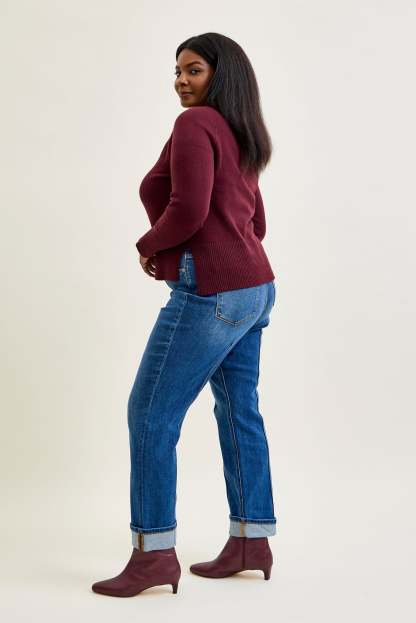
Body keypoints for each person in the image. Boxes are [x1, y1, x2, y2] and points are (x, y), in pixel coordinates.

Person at [92, 32, 278, 598]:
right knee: (239, 411)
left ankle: (153, 554)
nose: (180, 80)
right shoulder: (242, 130)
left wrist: (149, 244)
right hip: (256, 286)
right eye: (177, 71)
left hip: (213, 291)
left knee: (150, 413)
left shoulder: (196, 124)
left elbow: (189, 209)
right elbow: (257, 222)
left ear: (221, 74)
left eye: (193, 69)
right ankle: (250, 540)